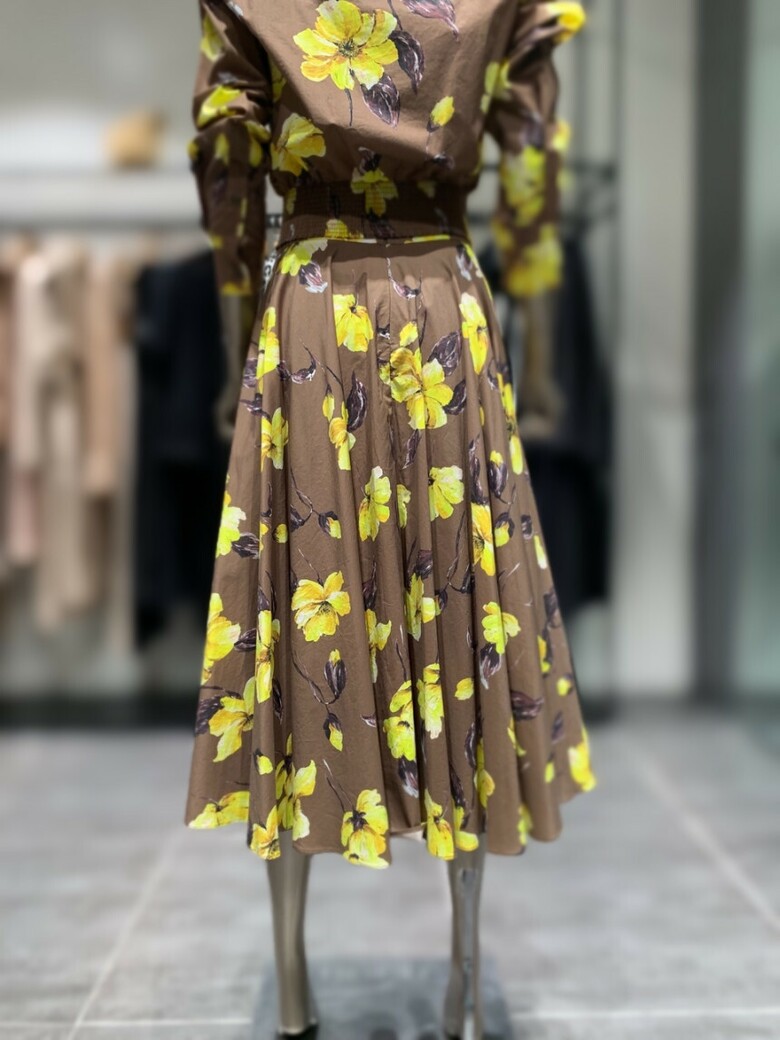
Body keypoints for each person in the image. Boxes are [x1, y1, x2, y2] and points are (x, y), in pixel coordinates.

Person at [182, 2, 598, 1035]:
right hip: (442, 301)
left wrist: (235, 327)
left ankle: (291, 983)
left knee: (303, 598)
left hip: (311, 304)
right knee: (462, 606)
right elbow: (533, 163)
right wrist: (543, 335)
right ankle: (464, 980)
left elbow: (228, 163)